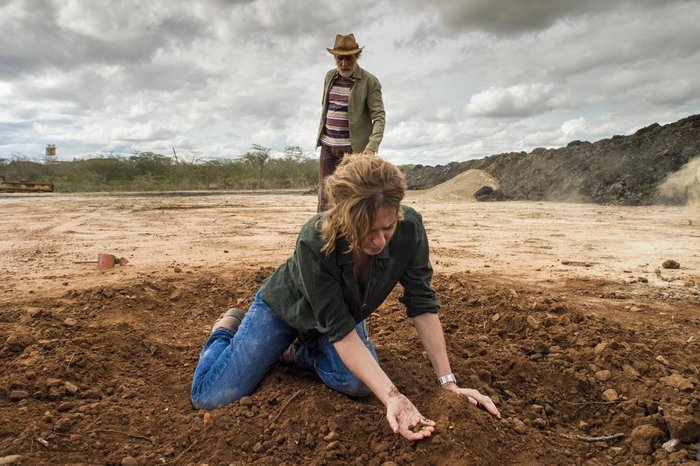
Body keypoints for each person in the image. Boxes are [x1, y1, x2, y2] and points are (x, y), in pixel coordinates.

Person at [190, 154, 500, 441]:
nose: (379, 241)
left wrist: (448, 383)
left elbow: (422, 302)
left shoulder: (410, 229)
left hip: (338, 316)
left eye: (387, 227)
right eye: (367, 232)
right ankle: (227, 329)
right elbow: (340, 331)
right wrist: (393, 397)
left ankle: (296, 352)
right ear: (342, 218)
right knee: (210, 397)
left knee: (359, 383)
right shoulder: (315, 239)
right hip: (286, 310)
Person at [315, 33, 385, 211]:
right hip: (328, 147)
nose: (344, 64)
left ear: (357, 57)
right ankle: (324, 237)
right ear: (335, 58)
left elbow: (379, 117)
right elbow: (327, 107)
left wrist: (371, 147)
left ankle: (352, 237)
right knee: (325, 197)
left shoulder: (369, 81)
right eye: (340, 59)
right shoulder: (330, 77)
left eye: (349, 59)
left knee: (352, 198)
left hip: (353, 152)